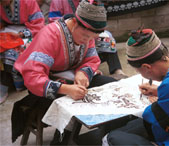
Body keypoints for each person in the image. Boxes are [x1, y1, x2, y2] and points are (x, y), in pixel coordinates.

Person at [12, 0, 117, 144]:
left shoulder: (87, 34)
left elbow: (91, 59)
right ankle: (60, 142)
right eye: (85, 37)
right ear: (74, 23)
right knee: (72, 105)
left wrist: (83, 73)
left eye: (91, 38)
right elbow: (33, 77)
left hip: (70, 77)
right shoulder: (50, 35)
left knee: (112, 86)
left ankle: (109, 135)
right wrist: (66, 89)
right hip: (44, 86)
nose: (87, 41)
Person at [0, 0, 45, 104]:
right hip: (8, 30)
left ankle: (10, 83)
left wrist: (21, 34)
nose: (1, 4)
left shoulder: (29, 2)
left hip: (29, 32)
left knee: (11, 52)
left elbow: (39, 24)